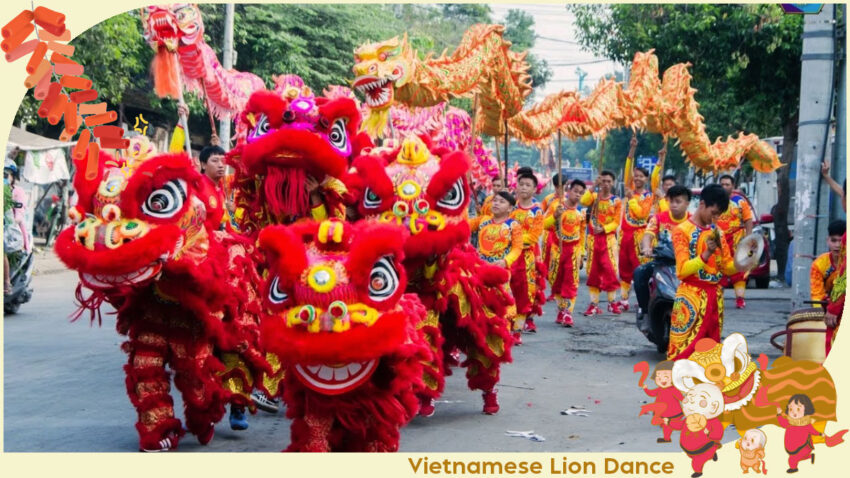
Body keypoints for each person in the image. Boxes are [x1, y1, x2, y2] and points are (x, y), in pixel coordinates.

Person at [667, 184, 737, 360]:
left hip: (714, 297)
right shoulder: (682, 231)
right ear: (702, 204)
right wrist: (706, 254)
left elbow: (727, 266)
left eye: (718, 215)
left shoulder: (717, 232)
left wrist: (745, 260)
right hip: (691, 297)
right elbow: (682, 271)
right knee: (683, 353)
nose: (715, 218)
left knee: (711, 355)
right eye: (713, 213)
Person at [468, 190, 523, 343]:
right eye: (495, 200)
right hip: (480, 268)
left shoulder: (513, 225)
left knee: (502, 299)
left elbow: (517, 248)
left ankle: (504, 331)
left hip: (501, 269)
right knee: (479, 299)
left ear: (510, 208)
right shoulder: (483, 220)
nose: (496, 203)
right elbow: (464, 226)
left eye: (501, 201)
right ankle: (480, 332)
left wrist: (506, 261)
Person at [634, 185, 692, 315]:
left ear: (687, 203)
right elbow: (648, 235)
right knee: (639, 273)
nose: (674, 205)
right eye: (671, 201)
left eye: (678, 202)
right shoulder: (658, 218)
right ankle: (644, 310)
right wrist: (647, 247)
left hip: (685, 264)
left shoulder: (692, 220)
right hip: (662, 262)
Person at [580, 170, 623, 316]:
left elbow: (616, 221)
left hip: (608, 240)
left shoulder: (616, 201)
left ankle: (612, 303)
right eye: (603, 181)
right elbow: (583, 201)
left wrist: (604, 229)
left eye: (608, 181)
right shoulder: (594, 196)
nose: (605, 184)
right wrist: (592, 186)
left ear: (613, 183)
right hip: (593, 240)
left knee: (610, 270)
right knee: (593, 271)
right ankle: (593, 304)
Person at [544, 179, 586, 327]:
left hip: (573, 250)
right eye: (575, 191)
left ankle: (568, 312)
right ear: (568, 190)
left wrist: (581, 254)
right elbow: (544, 225)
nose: (578, 195)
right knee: (555, 280)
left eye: (581, 193)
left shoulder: (581, 212)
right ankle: (561, 309)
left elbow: (581, 234)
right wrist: (555, 216)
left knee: (571, 281)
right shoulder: (557, 206)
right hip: (557, 249)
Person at [618, 136, 653, 311]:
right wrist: (632, 149)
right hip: (625, 235)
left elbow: (641, 214)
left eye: (641, 176)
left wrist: (631, 199)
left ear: (646, 179)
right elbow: (628, 168)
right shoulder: (629, 187)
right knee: (623, 268)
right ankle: (624, 299)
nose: (637, 179)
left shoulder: (647, 196)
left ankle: (642, 300)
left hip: (639, 236)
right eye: (635, 176)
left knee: (639, 269)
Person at [510, 167, 545, 334]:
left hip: (527, 255)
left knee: (528, 288)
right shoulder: (509, 208)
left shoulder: (537, 211)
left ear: (534, 189)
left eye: (527, 185)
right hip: (508, 256)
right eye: (521, 184)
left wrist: (513, 239)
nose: (523, 187)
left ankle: (524, 321)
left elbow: (533, 236)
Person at [717, 174, 754, 309]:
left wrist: (748, 238)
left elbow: (748, 220)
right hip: (718, 240)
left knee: (739, 270)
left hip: (736, 239)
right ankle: (717, 299)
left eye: (727, 184)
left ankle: (740, 299)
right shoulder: (715, 201)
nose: (725, 187)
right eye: (722, 184)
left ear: (733, 186)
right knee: (717, 269)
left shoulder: (740, 201)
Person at [810, 220, 845, 305]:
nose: (837, 245)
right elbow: (817, 296)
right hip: (827, 306)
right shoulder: (819, 264)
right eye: (834, 240)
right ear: (827, 240)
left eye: (841, 241)